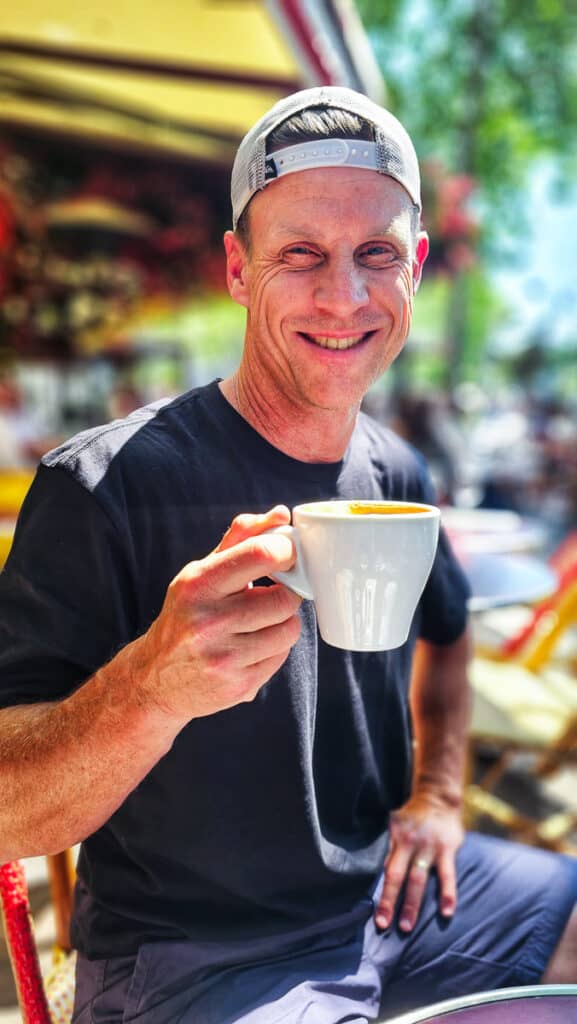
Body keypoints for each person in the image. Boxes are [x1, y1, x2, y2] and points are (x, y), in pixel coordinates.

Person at [0, 87, 576, 1024]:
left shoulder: (398, 465)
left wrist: (435, 796)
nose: (343, 295)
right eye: (300, 253)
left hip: (385, 900)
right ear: (237, 267)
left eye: (376, 255)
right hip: (199, 955)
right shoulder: (103, 485)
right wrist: (151, 685)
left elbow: (449, 633)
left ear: (416, 269)